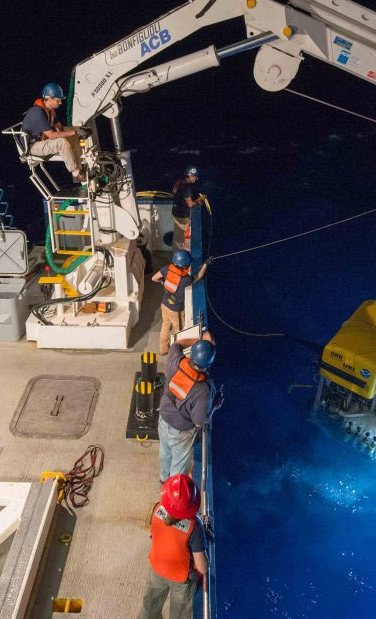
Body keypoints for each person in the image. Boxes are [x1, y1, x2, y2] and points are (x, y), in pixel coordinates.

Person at [138, 474, 207, 619]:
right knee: (179, 612)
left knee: (150, 606)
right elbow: (202, 567)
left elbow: (155, 534)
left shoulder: (157, 508)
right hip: (181, 578)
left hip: (156, 568)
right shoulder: (195, 527)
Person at [158, 333, 216, 482]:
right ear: (208, 365)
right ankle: (172, 493)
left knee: (165, 453)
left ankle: (164, 479)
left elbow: (177, 343)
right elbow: (199, 421)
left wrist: (199, 341)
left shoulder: (175, 361)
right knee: (179, 467)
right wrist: (215, 406)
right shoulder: (203, 389)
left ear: (192, 352)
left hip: (163, 419)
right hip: (181, 432)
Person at [23, 83, 88, 183]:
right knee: (61, 142)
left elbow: (60, 129)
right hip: (32, 146)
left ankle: (79, 169)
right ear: (49, 99)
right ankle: (75, 172)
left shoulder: (50, 110)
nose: (61, 102)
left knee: (74, 136)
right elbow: (52, 135)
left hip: (42, 140)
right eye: (58, 100)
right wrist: (74, 131)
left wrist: (80, 129)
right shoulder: (38, 113)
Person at [150, 250, 208, 353]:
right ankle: (178, 352)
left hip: (165, 304)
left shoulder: (166, 269)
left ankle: (163, 349)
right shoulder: (186, 280)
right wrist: (205, 265)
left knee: (165, 325)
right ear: (185, 266)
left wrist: (163, 282)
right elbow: (199, 277)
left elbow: (154, 278)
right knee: (180, 331)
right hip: (175, 310)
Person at [170, 166, 204, 252]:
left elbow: (174, 192)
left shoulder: (180, 181)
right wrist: (198, 201)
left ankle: (175, 253)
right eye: (195, 177)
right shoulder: (187, 188)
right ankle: (183, 255)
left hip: (175, 212)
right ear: (191, 176)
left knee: (177, 236)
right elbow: (190, 204)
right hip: (182, 216)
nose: (196, 179)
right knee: (184, 236)